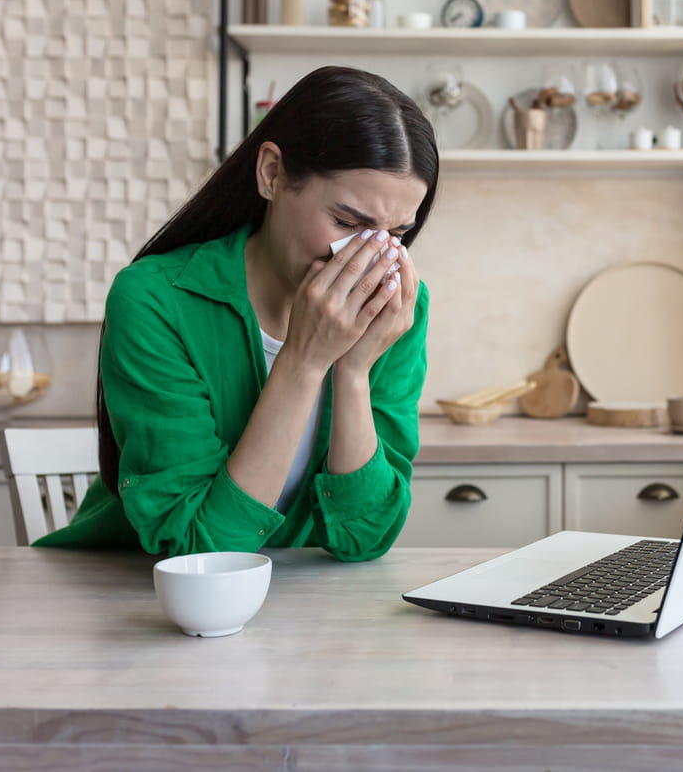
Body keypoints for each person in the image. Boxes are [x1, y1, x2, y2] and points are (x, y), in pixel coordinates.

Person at [35, 66, 437, 560]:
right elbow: (199, 550)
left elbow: (366, 537)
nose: (369, 257)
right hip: (135, 589)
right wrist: (305, 361)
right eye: (346, 221)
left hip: (299, 599)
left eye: (395, 235)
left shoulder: (398, 306)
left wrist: (353, 372)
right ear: (272, 173)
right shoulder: (155, 299)